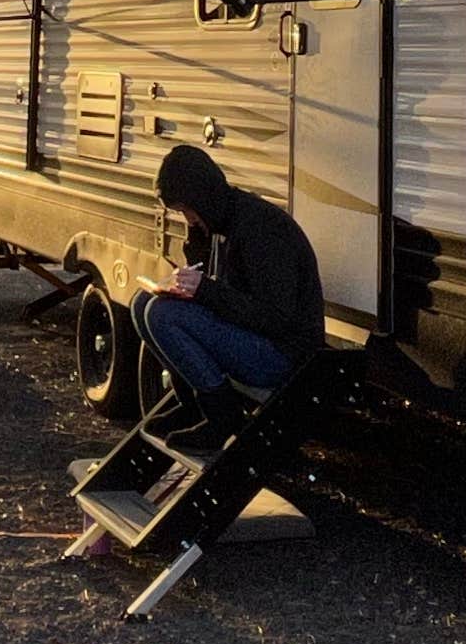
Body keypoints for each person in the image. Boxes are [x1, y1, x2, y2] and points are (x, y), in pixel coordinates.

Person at [132, 140, 325, 442]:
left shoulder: (261, 228)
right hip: (253, 339)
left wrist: (205, 291)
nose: (188, 219)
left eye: (187, 211)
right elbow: (213, 290)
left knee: (162, 315)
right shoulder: (217, 224)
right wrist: (195, 249)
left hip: (283, 354)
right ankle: (193, 404)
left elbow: (276, 318)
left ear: (203, 198)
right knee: (142, 304)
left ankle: (223, 415)